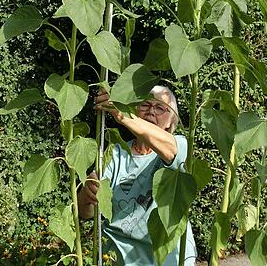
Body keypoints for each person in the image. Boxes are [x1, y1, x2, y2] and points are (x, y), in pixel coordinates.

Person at [77, 85, 197, 265]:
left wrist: (122, 115)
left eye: (159, 108)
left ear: (171, 122)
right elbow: (87, 213)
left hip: (169, 260)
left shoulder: (179, 146)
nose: (150, 112)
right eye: (145, 105)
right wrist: (88, 193)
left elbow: (170, 149)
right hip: (120, 259)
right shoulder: (116, 153)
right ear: (135, 110)